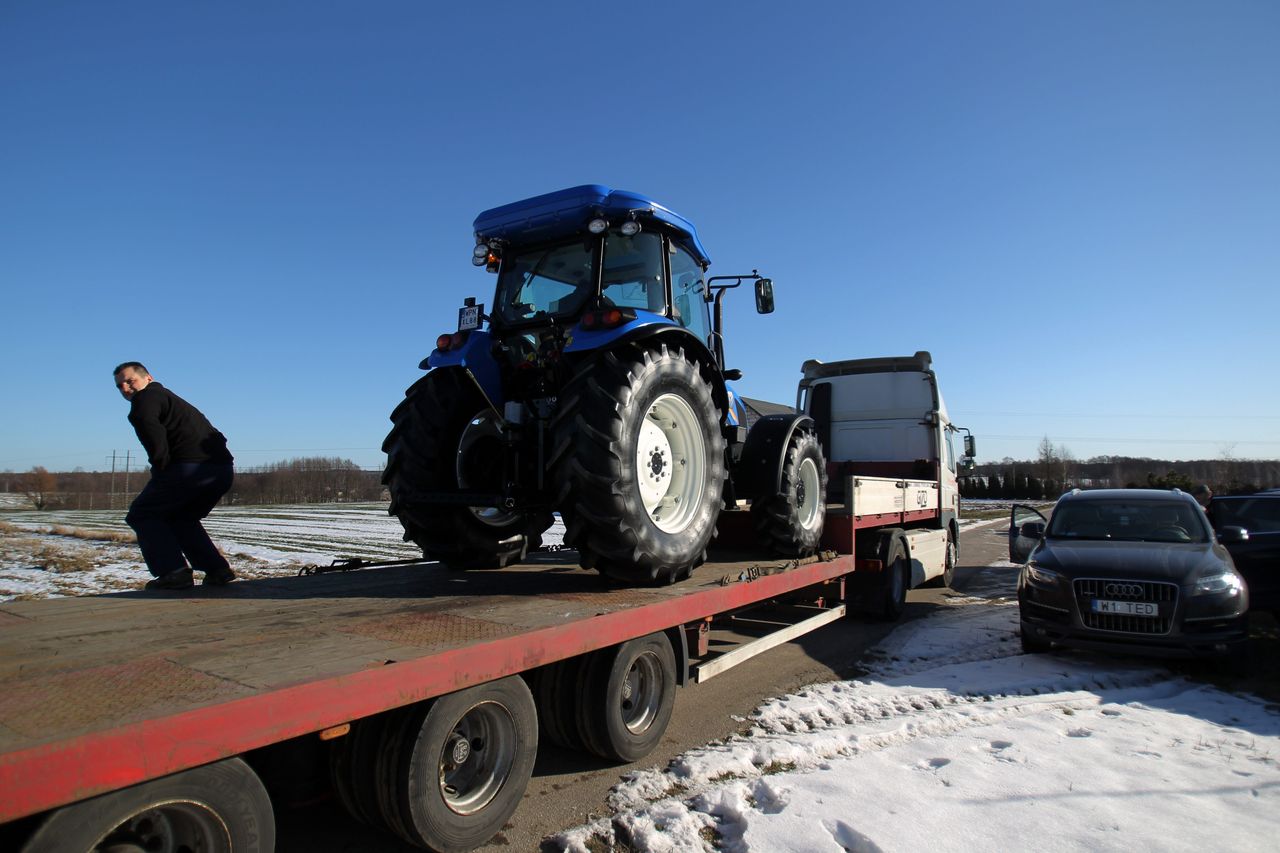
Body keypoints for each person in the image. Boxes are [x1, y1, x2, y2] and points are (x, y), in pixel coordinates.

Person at [113, 362, 237, 590]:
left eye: (130, 381)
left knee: (142, 514)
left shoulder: (145, 399)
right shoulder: (170, 398)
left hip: (189, 468)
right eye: (120, 386)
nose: (126, 389)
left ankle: (173, 571)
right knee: (181, 518)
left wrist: (160, 468)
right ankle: (216, 569)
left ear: (148, 378)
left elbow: (152, 434)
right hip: (222, 470)